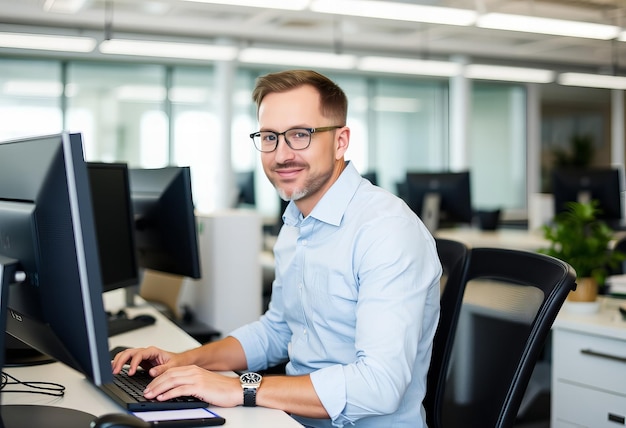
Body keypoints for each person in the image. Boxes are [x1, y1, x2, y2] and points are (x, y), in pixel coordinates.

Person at [112, 69, 441, 427]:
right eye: (270, 137)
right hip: (290, 417)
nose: (282, 155)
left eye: (300, 135)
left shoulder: (386, 231)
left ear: (341, 141)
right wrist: (185, 361)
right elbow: (278, 330)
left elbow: (379, 386)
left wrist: (242, 387)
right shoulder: (297, 221)